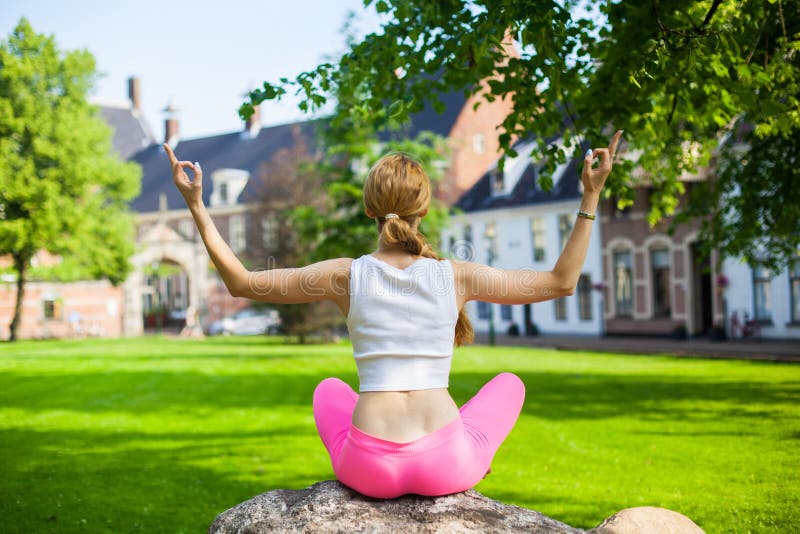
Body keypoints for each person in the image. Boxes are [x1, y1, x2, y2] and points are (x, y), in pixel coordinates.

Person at [164, 129, 622, 499]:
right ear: (424, 208)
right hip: (446, 464)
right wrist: (591, 195)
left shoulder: (345, 276)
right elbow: (561, 281)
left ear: (368, 210)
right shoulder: (455, 276)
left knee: (329, 390)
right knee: (510, 385)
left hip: (368, 468)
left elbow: (243, 282)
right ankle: (473, 463)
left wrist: (198, 206)